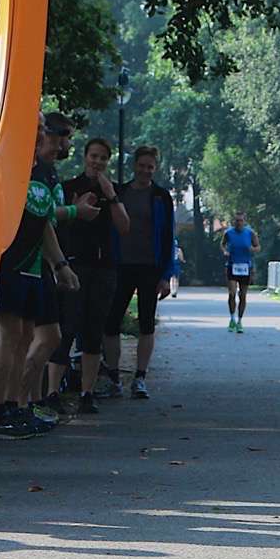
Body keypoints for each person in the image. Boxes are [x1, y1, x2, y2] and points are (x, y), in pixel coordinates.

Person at [0, 114, 85, 438]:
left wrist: (60, 265)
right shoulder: (2, 165)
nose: (40, 134)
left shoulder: (40, 170)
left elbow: (44, 224)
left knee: (26, 336)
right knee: (9, 334)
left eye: (41, 129)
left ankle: (17, 406)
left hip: (32, 264)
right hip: (6, 262)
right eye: (34, 127)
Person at [57, 134, 129, 414]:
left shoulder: (113, 191)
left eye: (103, 157)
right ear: (85, 156)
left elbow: (124, 227)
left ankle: (87, 392)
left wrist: (110, 195)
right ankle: (53, 390)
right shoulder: (69, 187)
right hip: (75, 264)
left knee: (93, 330)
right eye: (93, 156)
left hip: (104, 268)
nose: (97, 162)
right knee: (67, 327)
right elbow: (57, 222)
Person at [101, 146, 177, 399]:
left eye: (150, 166)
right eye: (142, 165)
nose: (145, 170)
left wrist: (167, 274)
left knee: (147, 322)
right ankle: (113, 376)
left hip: (149, 267)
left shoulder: (161, 197)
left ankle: (140, 377)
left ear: (155, 169)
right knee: (111, 322)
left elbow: (169, 236)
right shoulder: (120, 192)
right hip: (121, 265)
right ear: (135, 165)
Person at [221, 211, 260, 332]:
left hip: (245, 267)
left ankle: (239, 321)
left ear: (244, 221)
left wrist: (252, 249)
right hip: (232, 265)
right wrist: (225, 251)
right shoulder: (228, 233)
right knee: (232, 294)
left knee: (242, 295)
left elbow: (258, 247)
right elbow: (222, 244)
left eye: (241, 220)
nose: (239, 223)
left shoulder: (250, 233)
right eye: (237, 221)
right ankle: (232, 318)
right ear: (234, 221)